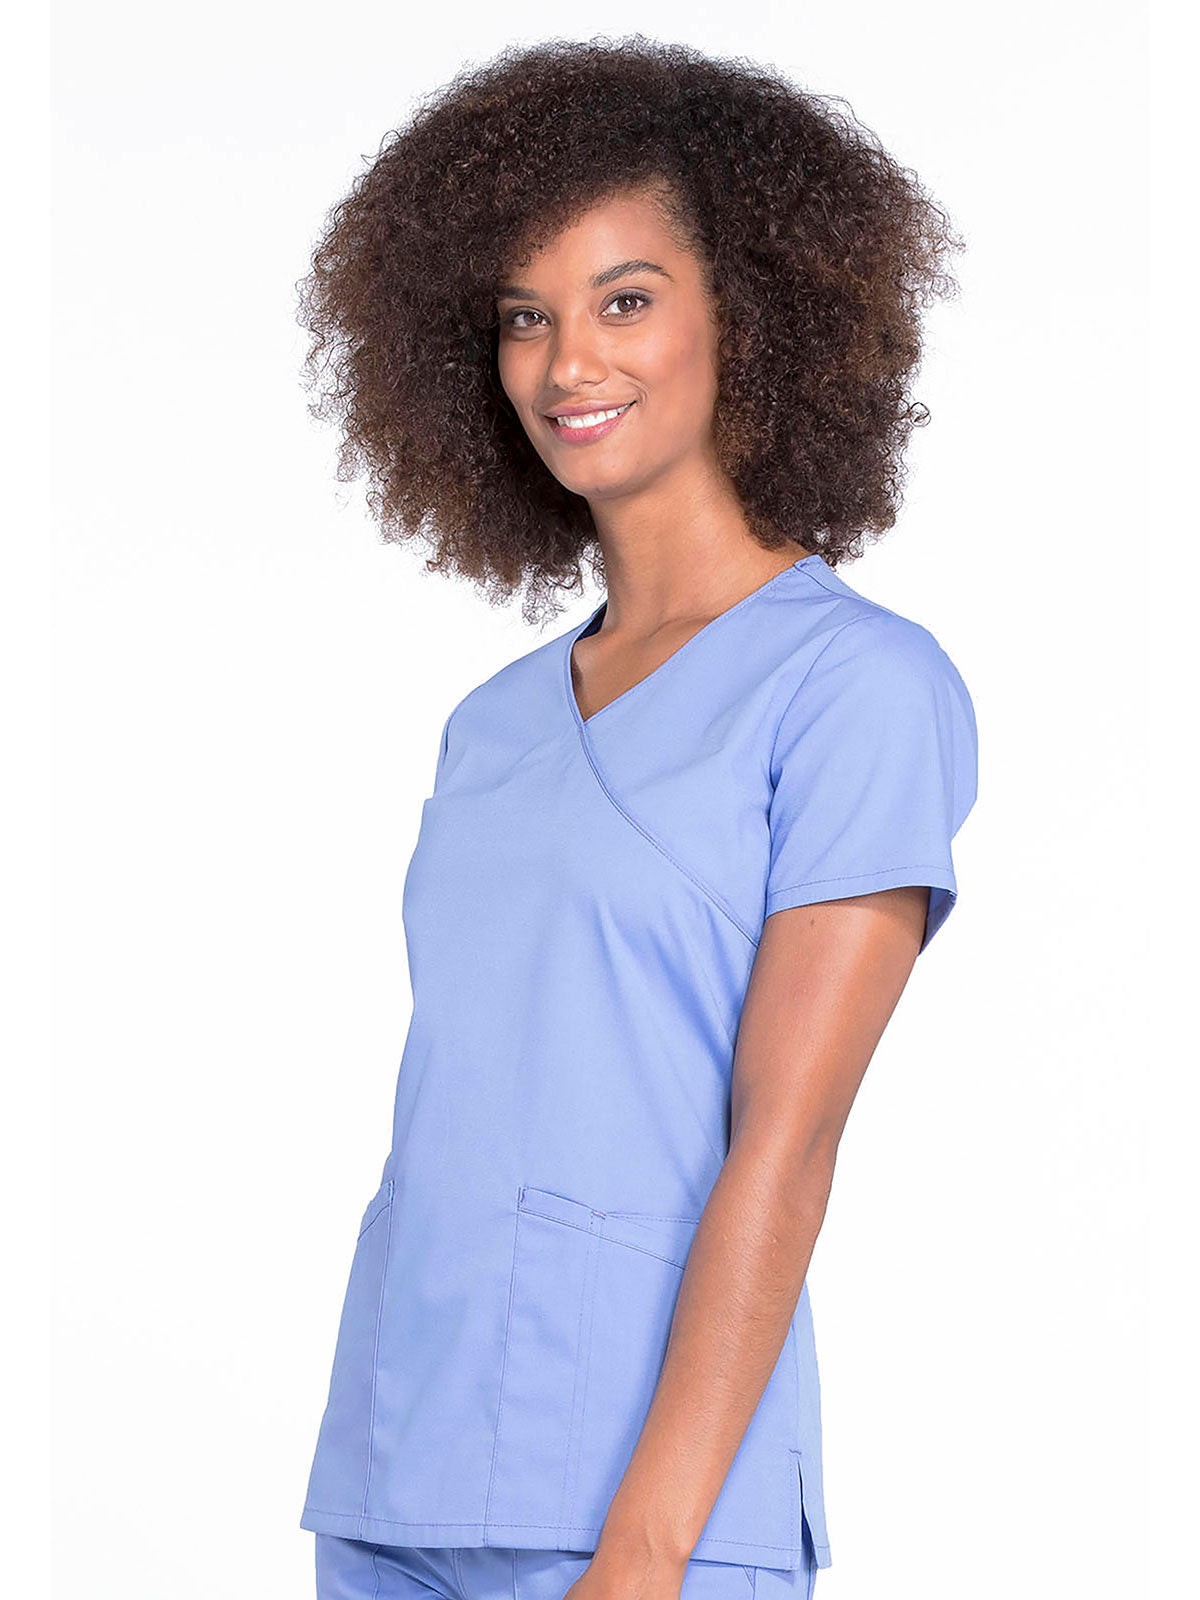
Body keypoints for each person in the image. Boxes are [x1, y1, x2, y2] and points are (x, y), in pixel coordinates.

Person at [295, 35, 978, 1600]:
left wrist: (647, 1548)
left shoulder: (853, 689)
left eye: (624, 300)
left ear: (748, 309)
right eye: (523, 316)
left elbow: (787, 1148)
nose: (566, 366)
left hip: (646, 1518)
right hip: (393, 1476)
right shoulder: (493, 724)